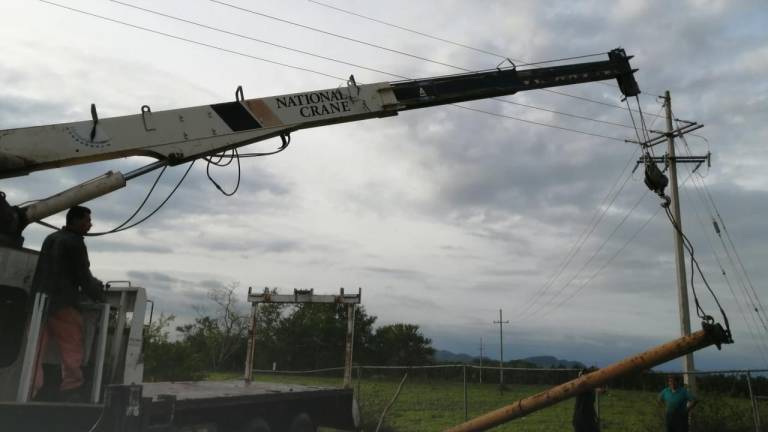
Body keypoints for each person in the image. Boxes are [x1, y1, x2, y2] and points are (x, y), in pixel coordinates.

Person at [30, 205, 104, 402]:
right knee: (72, 346)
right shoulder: (75, 243)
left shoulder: (50, 238)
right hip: (63, 303)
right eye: (87, 220)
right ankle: (72, 388)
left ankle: (32, 389)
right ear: (75, 221)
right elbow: (83, 276)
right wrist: (99, 294)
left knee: (35, 351)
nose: (90, 225)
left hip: (41, 303)